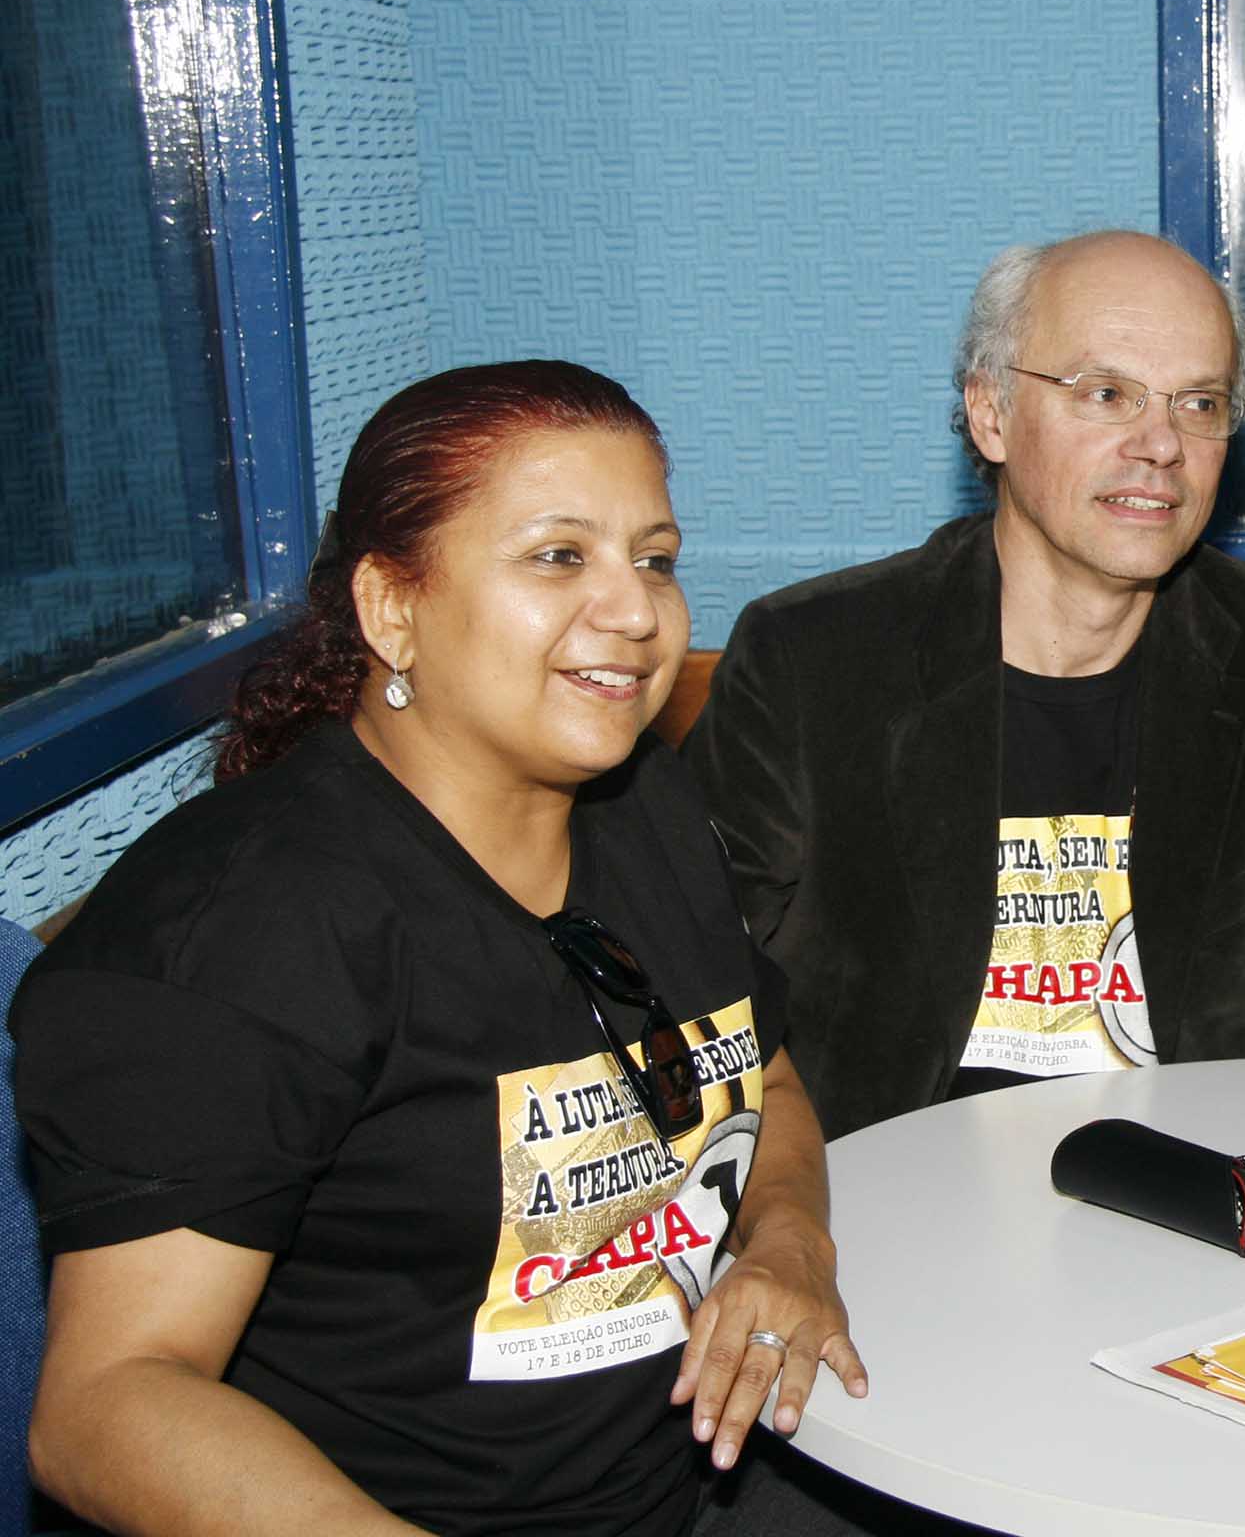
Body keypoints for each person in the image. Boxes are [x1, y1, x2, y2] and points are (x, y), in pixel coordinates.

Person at [12, 362, 865, 1535]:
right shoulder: (245, 925)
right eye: (560, 556)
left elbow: (763, 1082)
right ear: (391, 607)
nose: (638, 612)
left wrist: (788, 1243)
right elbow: (105, 1405)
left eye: (655, 559)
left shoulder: (646, 809)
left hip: (699, 1485)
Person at [684, 230, 1245, 1163]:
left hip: (1170, 1192)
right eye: (1106, 394)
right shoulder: (815, 660)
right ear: (990, 413)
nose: (1161, 445)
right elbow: (687, 976)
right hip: (888, 1196)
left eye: (1200, 403)